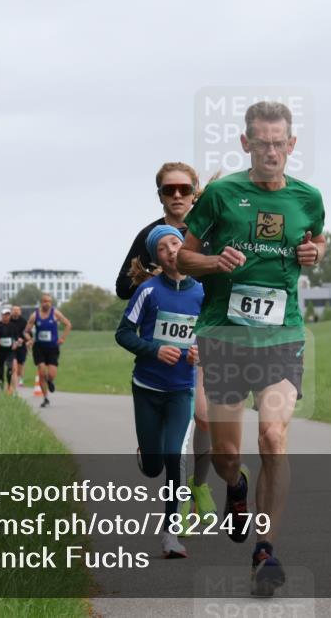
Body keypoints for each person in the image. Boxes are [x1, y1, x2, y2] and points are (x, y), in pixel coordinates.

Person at [177, 101, 326, 597]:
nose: (270, 152)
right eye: (261, 142)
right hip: (223, 336)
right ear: (246, 144)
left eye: (279, 142)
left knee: (273, 436)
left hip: (281, 338)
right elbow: (182, 256)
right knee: (225, 454)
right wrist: (215, 261)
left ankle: (265, 550)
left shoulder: (308, 197)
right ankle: (235, 487)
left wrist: (315, 253)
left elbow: (316, 242)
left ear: (291, 145)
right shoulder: (221, 195)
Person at [115, 162, 218, 533]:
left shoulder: (209, 227)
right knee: (183, 428)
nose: (176, 196)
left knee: (204, 417)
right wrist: (155, 277)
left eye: (183, 189)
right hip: (164, 345)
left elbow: (229, 273)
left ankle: (199, 486)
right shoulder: (150, 235)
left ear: (194, 192)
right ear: (159, 194)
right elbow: (123, 287)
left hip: (202, 333)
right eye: (168, 190)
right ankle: (179, 494)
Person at [116, 225, 203, 559]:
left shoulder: (201, 292)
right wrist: (153, 349)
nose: (170, 249)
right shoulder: (148, 292)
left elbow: (211, 334)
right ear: (157, 259)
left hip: (182, 389)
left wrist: (201, 352)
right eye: (162, 247)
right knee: (153, 465)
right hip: (148, 387)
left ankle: (170, 533)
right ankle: (145, 450)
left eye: (175, 243)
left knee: (173, 456)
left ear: (185, 248)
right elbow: (123, 334)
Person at [24, 293, 71, 408]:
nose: (47, 303)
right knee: (41, 372)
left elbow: (68, 324)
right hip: (39, 348)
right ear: (41, 302)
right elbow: (26, 331)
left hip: (53, 348)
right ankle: (45, 398)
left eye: (49, 301)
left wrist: (63, 338)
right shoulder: (35, 315)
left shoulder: (55, 313)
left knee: (51, 374)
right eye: (45, 301)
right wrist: (30, 339)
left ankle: (50, 381)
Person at [0, 308, 19, 394]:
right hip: (0, 350)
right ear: (2, 316)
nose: (6, 317)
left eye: (8, 315)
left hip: (10, 350)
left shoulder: (13, 326)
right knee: (1, 371)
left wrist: (15, 343)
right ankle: (1, 387)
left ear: (10, 316)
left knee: (10, 368)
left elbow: (17, 337)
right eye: (4, 315)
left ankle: (9, 386)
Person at [10, 305, 29, 387]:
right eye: (14, 310)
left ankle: (20, 378)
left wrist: (25, 340)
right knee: (12, 363)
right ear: (11, 311)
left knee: (21, 364)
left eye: (17, 310)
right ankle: (13, 379)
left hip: (21, 346)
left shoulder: (24, 321)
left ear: (20, 312)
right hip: (11, 346)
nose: (16, 311)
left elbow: (28, 333)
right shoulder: (8, 321)